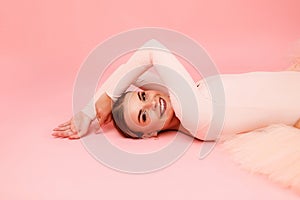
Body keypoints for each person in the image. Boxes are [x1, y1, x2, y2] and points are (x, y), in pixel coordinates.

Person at [52, 39, 300, 141]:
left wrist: (94, 110)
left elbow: (133, 75)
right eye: (143, 116)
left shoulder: (186, 103)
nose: (150, 103)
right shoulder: (192, 113)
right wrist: (102, 101)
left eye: (143, 96)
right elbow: (152, 49)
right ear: (150, 134)